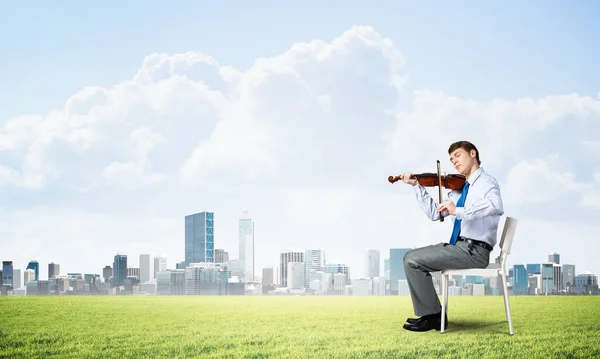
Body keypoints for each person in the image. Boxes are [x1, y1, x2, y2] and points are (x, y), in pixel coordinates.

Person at [399, 140, 504, 332]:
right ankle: (432, 315)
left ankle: (434, 317)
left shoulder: (487, 182)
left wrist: (459, 210)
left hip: (475, 250)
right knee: (410, 258)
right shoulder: (460, 188)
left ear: (473, 154)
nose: (454, 161)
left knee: (412, 260)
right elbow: (434, 213)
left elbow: (496, 205)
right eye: (451, 159)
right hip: (460, 247)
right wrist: (416, 186)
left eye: (458, 155)